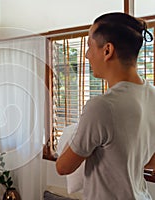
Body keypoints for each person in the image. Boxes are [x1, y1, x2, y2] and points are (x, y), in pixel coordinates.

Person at [56, 12, 155, 200]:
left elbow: (63, 167)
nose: (86, 55)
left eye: (89, 46)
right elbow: (152, 161)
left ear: (107, 50)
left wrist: (78, 130)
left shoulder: (102, 106)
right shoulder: (153, 95)